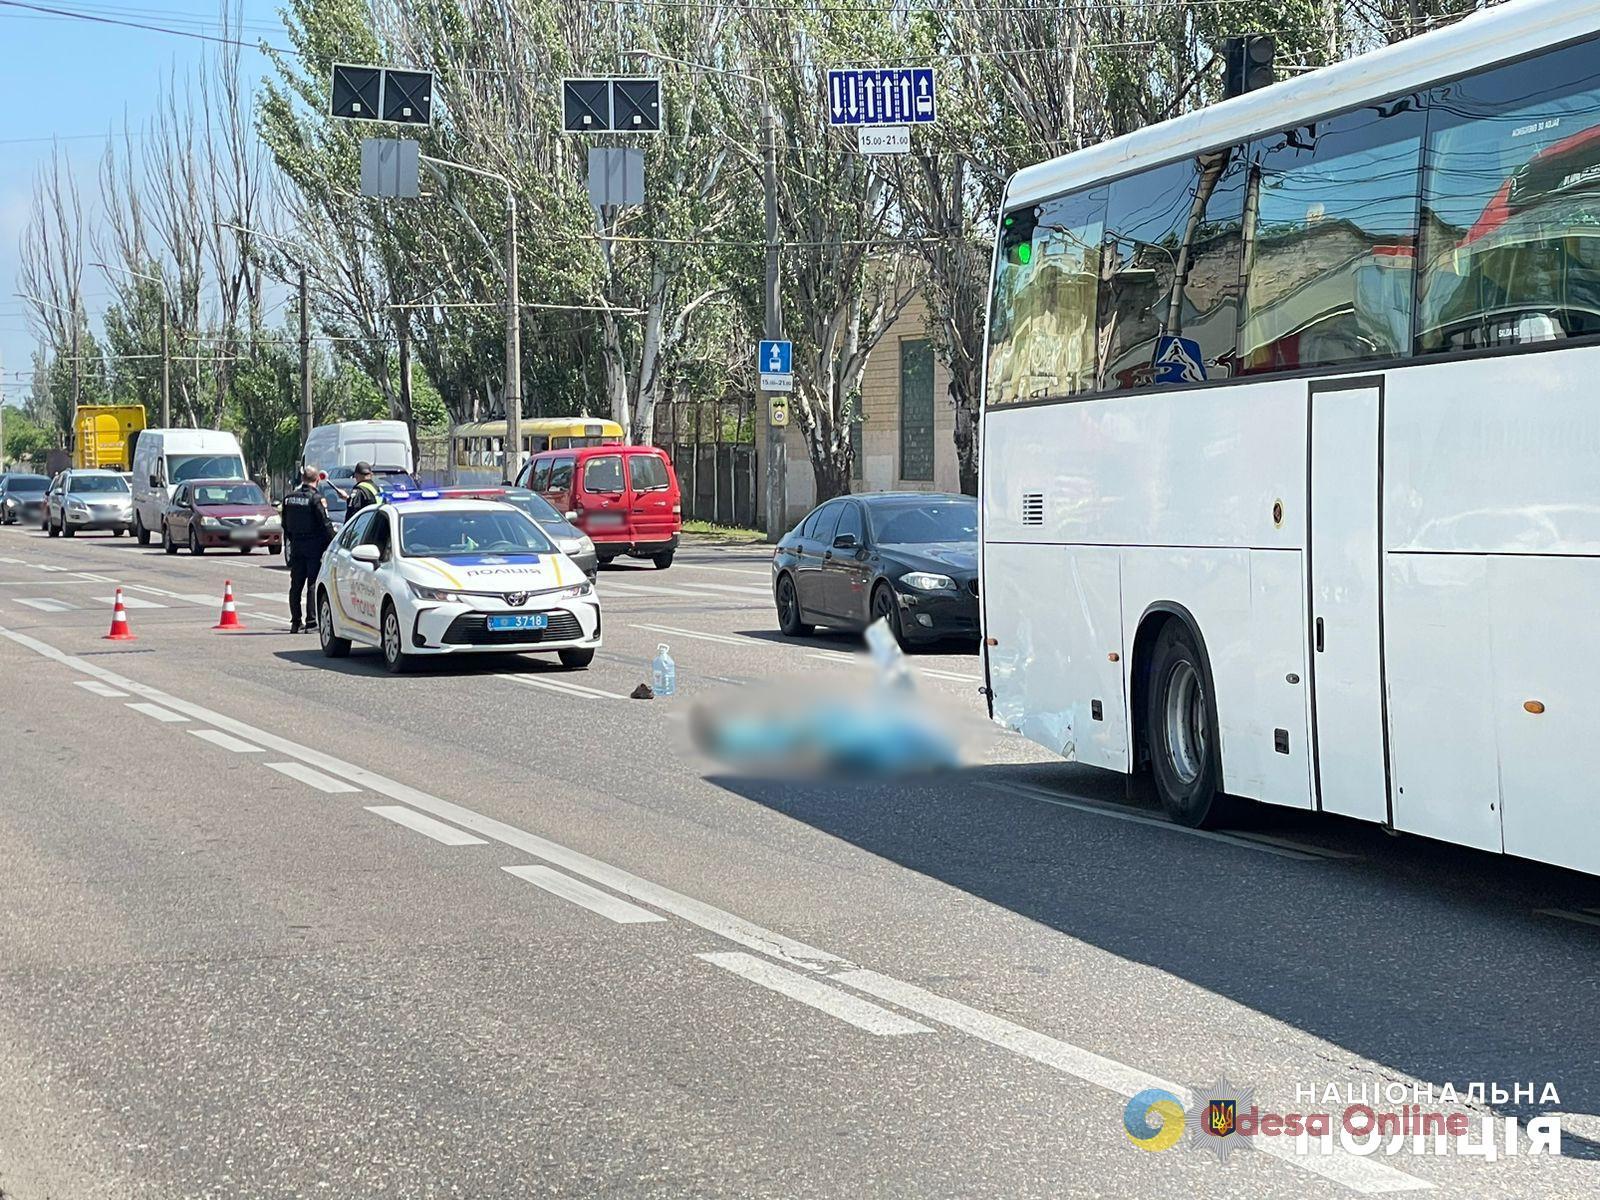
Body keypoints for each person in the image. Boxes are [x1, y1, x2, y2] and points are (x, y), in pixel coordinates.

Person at [281, 465, 335, 633]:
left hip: (296, 545)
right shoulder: (316, 499)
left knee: (296, 584)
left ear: (302, 479)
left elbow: (285, 524)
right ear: (317, 480)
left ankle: (295, 622)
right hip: (313, 546)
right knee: (312, 583)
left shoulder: (289, 498)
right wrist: (333, 543)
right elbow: (325, 523)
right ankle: (311, 621)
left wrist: (293, 539)